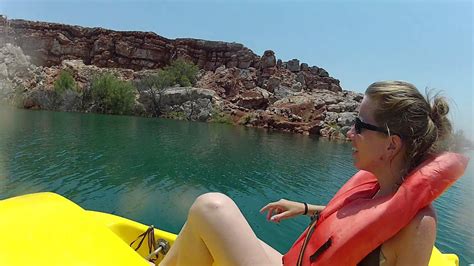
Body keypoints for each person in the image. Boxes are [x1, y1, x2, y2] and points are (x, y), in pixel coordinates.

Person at [159, 81, 464, 266]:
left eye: (359, 126)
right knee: (198, 229)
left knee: (212, 207)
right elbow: (356, 220)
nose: (348, 133)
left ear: (391, 145)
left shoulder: (418, 225)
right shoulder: (379, 188)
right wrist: (305, 208)